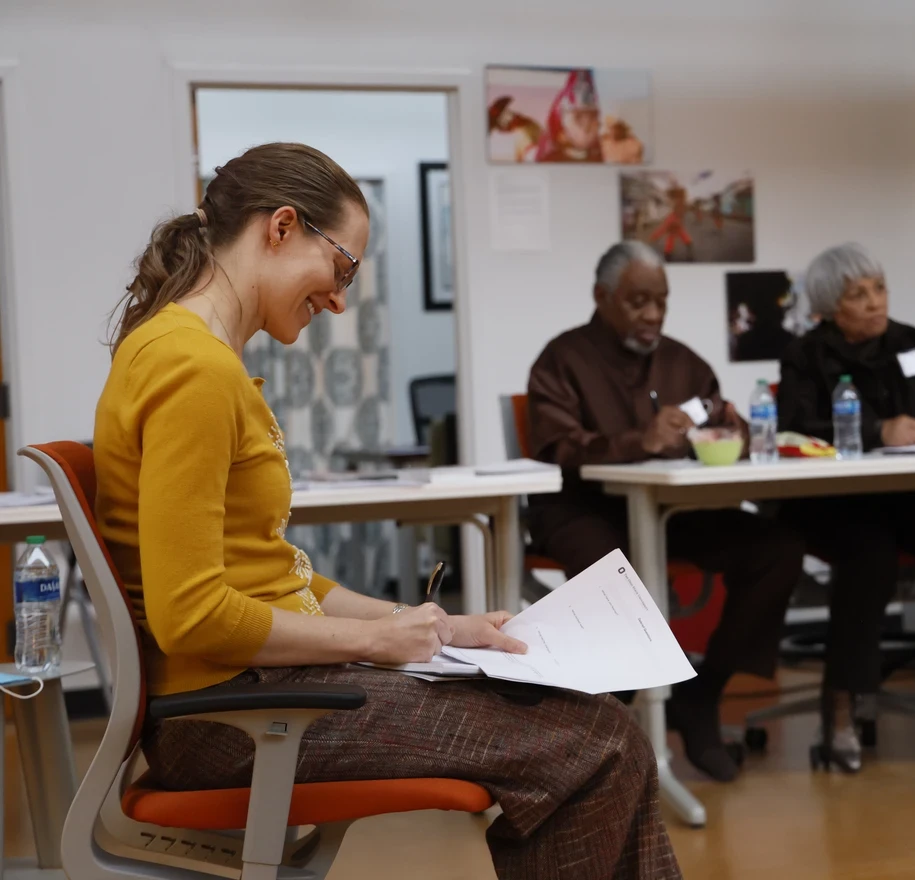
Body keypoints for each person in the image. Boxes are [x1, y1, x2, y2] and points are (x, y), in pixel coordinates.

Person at [93, 143, 680, 880]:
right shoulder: (194, 369)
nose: (340, 299)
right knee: (602, 743)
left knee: (599, 734)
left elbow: (273, 578)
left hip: (250, 697)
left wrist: (434, 628)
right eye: (341, 268)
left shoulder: (187, 354)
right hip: (235, 720)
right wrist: (375, 646)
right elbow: (192, 616)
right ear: (281, 227)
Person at [526, 241, 805, 783]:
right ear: (601, 297)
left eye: (661, 301)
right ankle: (604, 725)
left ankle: (701, 696)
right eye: (637, 302)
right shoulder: (562, 359)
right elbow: (559, 449)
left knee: (777, 549)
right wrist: (639, 441)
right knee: (620, 574)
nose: (652, 314)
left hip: (671, 512)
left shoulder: (684, 363)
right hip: (583, 510)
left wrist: (730, 431)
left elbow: (731, 429)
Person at [776, 243, 915, 772]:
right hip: (836, 505)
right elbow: (796, 431)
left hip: (912, 498)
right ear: (829, 307)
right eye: (858, 294)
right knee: (869, 556)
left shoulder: (914, 343)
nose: (875, 302)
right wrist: (877, 432)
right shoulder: (806, 355)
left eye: (879, 289)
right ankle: (842, 701)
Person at [533, 69, 603, 163]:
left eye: (593, 116)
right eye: (578, 117)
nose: (587, 124)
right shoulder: (549, 162)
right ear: (562, 133)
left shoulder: (604, 159)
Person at [487, 95, 543, 163]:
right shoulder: (522, 141)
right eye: (507, 118)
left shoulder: (529, 127)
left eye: (510, 113)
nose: (516, 115)